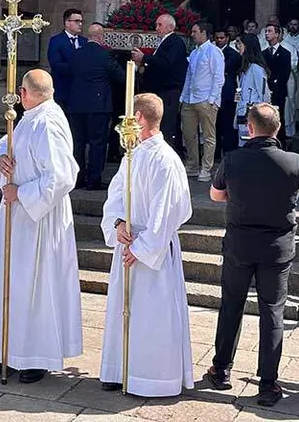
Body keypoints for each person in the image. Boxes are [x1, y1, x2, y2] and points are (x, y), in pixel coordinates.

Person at [0, 70, 82, 383]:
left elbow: (62, 177)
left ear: (24, 93)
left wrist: (21, 193)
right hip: (16, 215)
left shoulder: (49, 122)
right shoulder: (28, 117)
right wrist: (0, 159)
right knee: (7, 281)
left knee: (36, 286)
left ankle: (36, 356)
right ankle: (3, 349)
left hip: (39, 220)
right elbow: (4, 144)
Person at [205, 104, 299, 407]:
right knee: (272, 312)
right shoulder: (294, 161)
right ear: (278, 128)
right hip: (277, 246)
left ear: (249, 128)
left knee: (231, 305)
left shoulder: (233, 159)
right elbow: (298, 189)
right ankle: (268, 382)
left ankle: (222, 368)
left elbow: (216, 194)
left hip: (241, 243)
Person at [98, 92, 194, 396]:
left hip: (152, 254)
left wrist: (140, 249)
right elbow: (115, 195)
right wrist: (117, 224)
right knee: (122, 312)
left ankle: (151, 378)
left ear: (138, 118)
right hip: (128, 243)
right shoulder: (133, 154)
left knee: (152, 318)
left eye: (129, 116)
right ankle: (119, 369)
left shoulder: (165, 160)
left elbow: (166, 214)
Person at [69, 23, 125, 190]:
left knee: (78, 143)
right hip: (98, 105)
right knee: (97, 143)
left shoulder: (76, 54)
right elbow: (121, 77)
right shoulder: (104, 55)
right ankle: (93, 180)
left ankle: (78, 178)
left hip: (77, 104)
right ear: (101, 37)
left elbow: (71, 73)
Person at [131, 14, 188, 150]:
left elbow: (166, 63)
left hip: (169, 92)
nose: (156, 28)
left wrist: (144, 57)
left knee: (166, 126)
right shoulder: (164, 42)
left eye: (160, 25)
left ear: (170, 27)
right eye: (156, 25)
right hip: (161, 91)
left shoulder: (175, 42)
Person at [180, 21, 224, 182]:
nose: (192, 34)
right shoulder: (194, 53)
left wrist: (211, 99)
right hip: (190, 99)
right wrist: (183, 97)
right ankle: (192, 165)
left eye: (195, 31)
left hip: (206, 99)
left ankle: (206, 168)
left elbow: (218, 77)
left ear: (204, 33)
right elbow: (189, 77)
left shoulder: (214, 52)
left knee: (208, 136)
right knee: (188, 134)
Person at [47, 8, 87, 112]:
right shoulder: (56, 41)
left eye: (81, 21)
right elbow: (55, 64)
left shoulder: (85, 42)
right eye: (77, 21)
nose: (80, 24)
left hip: (80, 91)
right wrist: (77, 68)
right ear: (67, 23)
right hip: (62, 89)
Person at [235, 34, 270, 145]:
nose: (238, 46)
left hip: (252, 113)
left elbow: (264, 94)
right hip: (243, 112)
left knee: (251, 144)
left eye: (240, 44)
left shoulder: (256, 68)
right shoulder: (246, 68)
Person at [263, 25, 294, 145]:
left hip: (278, 91)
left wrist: (274, 85)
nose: (267, 33)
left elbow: (284, 74)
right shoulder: (263, 53)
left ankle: (280, 144)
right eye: (266, 31)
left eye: (270, 31)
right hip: (265, 91)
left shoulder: (285, 53)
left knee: (278, 117)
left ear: (277, 34)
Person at [214, 28, 242, 157]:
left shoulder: (233, 54)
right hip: (215, 92)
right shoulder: (212, 51)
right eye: (217, 38)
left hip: (228, 92)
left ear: (227, 38)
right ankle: (216, 153)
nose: (219, 40)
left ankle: (228, 152)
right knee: (215, 125)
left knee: (228, 124)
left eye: (222, 38)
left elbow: (224, 68)